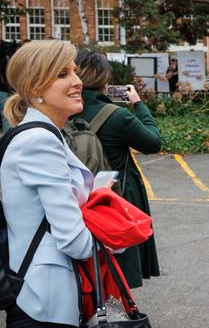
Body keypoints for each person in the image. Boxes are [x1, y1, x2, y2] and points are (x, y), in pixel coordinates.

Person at [1, 40, 94, 327]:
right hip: (44, 300)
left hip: (38, 294)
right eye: (63, 74)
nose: (78, 82)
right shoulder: (40, 141)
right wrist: (114, 235)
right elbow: (74, 241)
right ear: (35, 88)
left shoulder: (38, 135)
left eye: (75, 72)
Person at [71, 50, 162, 288]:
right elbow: (153, 142)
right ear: (105, 81)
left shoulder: (66, 111)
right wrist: (139, 104)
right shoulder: (118, 116)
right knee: (119, 260)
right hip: (116, 194)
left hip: (77, 193)